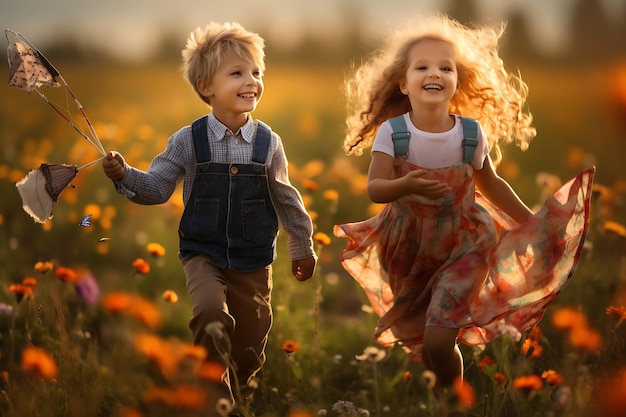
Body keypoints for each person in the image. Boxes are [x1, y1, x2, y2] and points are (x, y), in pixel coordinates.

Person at [334, 13, 594, 403]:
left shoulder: (470, 135)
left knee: (440, 336)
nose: (434, 72)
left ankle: (455, 401)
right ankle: (443, 395)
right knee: (426, 343)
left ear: (458, 81)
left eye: (445, 66)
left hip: (465, 244)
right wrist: (403, 184)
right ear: (404, 83)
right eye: (422, 66)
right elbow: (376, 188)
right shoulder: (394, 133)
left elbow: (491, 185)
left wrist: (533, 227)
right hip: (407, 248)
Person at [102, 22, 317, 416]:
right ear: (206, 87)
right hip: (202, 253)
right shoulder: (188, 140)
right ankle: (212, 398)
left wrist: (302, 246)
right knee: (210, 314)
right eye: (237, 73)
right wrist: (125, 175)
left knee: (250, 347)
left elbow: (286, 199)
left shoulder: (269, 143)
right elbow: (157, 188)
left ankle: (240, 386)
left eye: (256, 73)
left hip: (253, 259)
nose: (251, 81)